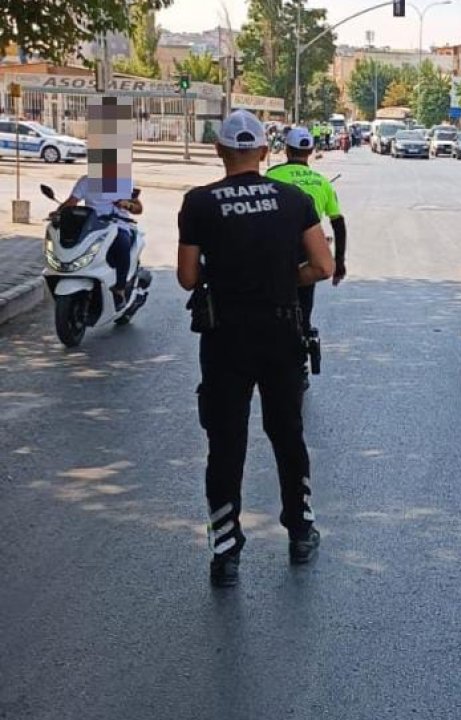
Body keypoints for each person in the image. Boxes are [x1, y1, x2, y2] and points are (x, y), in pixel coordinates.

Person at [177, 110, 335, 588]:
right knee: (287, 434)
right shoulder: (294, 199)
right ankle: (300, 531)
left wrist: (224, 279)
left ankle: (225, 553)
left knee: (226, 443)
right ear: (264, 152)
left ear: (219, 151)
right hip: (282, 332)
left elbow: (187, 277)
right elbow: (323, 266)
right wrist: (285, 279)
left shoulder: (199, 203)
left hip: (225, 339)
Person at [265, 127, 348, 388]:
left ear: (286, 150)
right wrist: (339, 262)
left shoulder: (271, 176)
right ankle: (300, 361)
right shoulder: (321, 181)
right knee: (303, 307)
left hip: (275, 253)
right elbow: (338, 224)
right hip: (308, 254)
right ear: (311, 152)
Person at [59, 176, 144, 308]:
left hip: (118, 225)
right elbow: (72, 202)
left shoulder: (123, 182)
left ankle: (120, 289)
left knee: (122, 245)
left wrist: (127, 205)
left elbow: (138, 209)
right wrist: (58, 213)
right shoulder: (86, 181)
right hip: (92, 225)